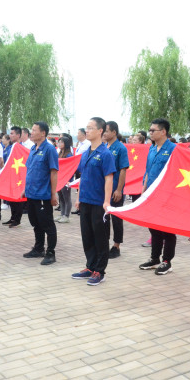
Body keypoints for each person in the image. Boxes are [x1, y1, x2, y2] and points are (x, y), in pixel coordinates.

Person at [71, 117, 116, 286]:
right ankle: (90, 267)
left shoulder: (105, 154)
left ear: (100, 131)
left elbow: (109, 178)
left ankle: (100, 271)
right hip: (85, 200)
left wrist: (106, 201)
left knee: (100, 237)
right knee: (87, 235)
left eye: (90, 128)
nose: (87, 130)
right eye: (86, 128)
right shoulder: (85, 153)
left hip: (98, 202)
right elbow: (82, 177)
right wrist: (78, 197)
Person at [138, 118, 177, 275]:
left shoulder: (174, 149)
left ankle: (167, 261)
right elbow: (148, 172)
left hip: (167, 196)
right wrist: (143, 191)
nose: (150, 133)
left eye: (153, 130)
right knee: (154, 228)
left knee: (167, 230)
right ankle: (155, 258)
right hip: (151, 194)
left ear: (163, 132)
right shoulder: (152, 149)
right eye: (150, 130)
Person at [21, 121, 59, 265]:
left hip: (43, 194)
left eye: (34, 130)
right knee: (36, 223)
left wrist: (53, 194)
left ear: (43, 133)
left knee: (47, 224)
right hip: (31, 193)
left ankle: (50, 253)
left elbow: (54, 172)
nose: (31, 132)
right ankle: (38, 248)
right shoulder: (33, 148)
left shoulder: (49, 149)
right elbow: (30, 170)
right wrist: (25, 189)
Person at [103, 121, 129, 259]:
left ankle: (116, 246)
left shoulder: (120, 148)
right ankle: (104, 243)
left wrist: (119, 189)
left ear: (114, 132)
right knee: (104, 217)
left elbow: (123, 170)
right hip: (104, 189)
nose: (104, 133)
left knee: (116, 219)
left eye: (106, 131)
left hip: (115, 190)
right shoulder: (104, 146)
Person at [3, 126, 25, 228]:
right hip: (10, 176)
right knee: (11, 198)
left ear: (18, 135)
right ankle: (12, 217)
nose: (10, 135)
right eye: (10, 133)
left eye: (12, 134)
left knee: (17, 198)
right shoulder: (10, 147)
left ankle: (17, 220)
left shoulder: (21, 148)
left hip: (18, 177)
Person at [56, 136, 73, 223]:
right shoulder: (59, 153)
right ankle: (62, 214)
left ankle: (66, 216)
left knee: (67, 198)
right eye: (59, 142)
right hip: (59, 179)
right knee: (61, 198)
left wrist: (69, 180)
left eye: (61, 142)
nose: (59, 144)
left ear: (66, 144)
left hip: (66, 179)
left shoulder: (69, 155)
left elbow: (71, 168)